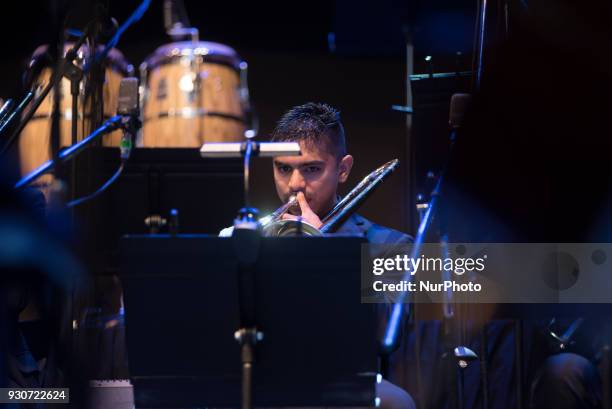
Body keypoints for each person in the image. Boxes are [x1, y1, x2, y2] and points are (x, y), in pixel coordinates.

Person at [221, 102, 416, 409]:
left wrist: (320, 252)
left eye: (311, 169)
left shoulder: (392, 245)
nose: (294, 184)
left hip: (344, 379)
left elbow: (384, 336)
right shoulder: (247, 237)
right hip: (263, 375)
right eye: (283, 168)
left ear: (343, 169)